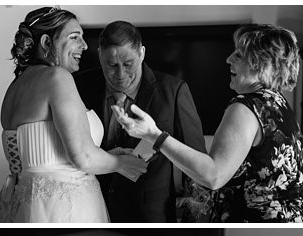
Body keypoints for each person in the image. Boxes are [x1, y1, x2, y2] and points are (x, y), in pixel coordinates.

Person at [114, 24, 303, 222]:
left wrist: (154, 135)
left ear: (260, 64)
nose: (228, 59)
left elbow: (213, 176)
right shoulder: (279, 104)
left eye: (239, 55)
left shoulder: (245, 108)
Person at [0, 8, 147, 223]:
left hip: (26, 206)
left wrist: (109, 155)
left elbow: (45, 158)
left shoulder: (15, 87)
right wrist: (122, 164)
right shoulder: (57, 77)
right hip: (65, 209)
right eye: (75, 37)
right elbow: (82, 158)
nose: (84, 46)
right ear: (47, 42)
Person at [74, 20, 205, 222]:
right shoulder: (78, 85)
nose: (120, 74)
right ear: (100, 55)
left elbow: (196, 157)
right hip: (90, 206)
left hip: (150, 214)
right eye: (111, 65)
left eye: (128, 64)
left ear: (142, 53)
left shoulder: (174, 91)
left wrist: (193, 210)